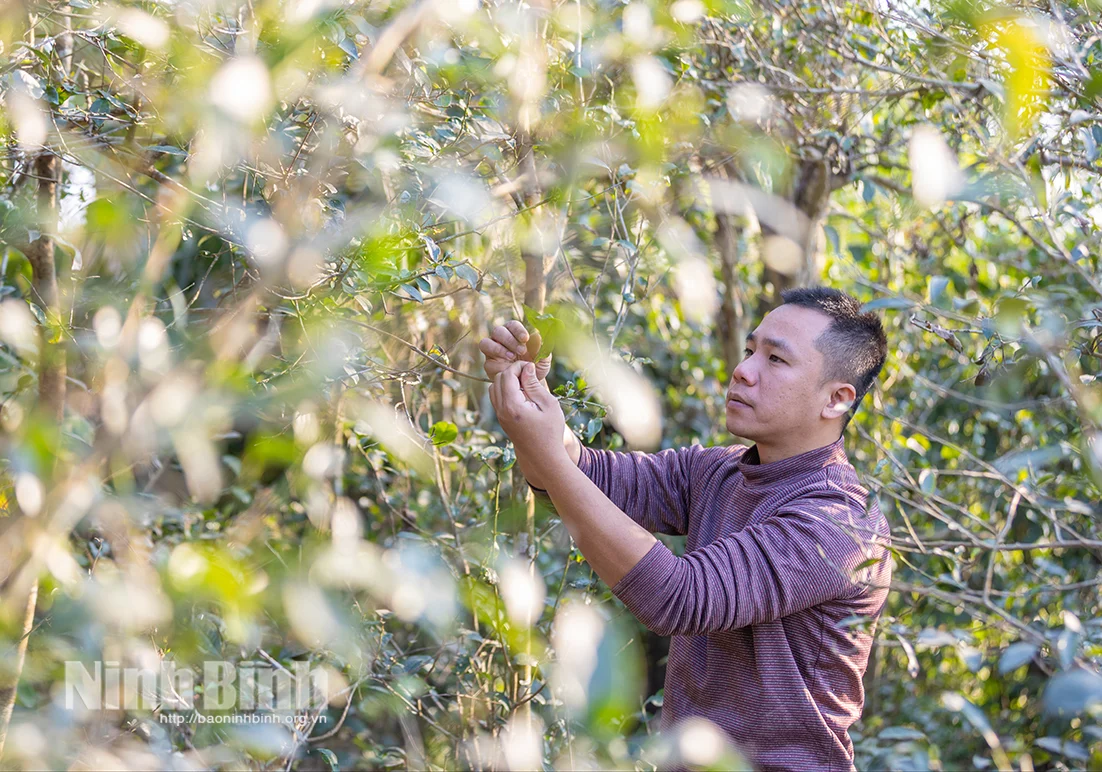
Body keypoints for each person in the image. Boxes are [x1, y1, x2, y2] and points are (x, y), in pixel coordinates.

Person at [480, 286, 892, 772]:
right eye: (749, 350)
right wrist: (528, 397)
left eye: (776, 359)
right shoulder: (718, 472)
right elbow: (580, 477)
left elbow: (680, 597)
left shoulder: (842, 521)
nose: (744, 370)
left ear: (837, 399)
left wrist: (548, 453)